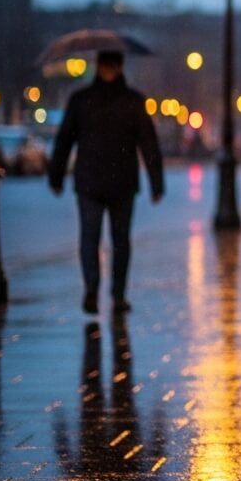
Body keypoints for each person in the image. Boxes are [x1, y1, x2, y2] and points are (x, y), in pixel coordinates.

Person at [49, 50, 164, 316]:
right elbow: (149, 143)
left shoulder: (81, 100)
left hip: (90, 180)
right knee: (119, 240)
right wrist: (156, 183)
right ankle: (117, 294)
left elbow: (64, 139)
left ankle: (93, 287)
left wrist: (56, 176)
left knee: (91, 238)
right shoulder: (133, 101)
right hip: (121, 181)